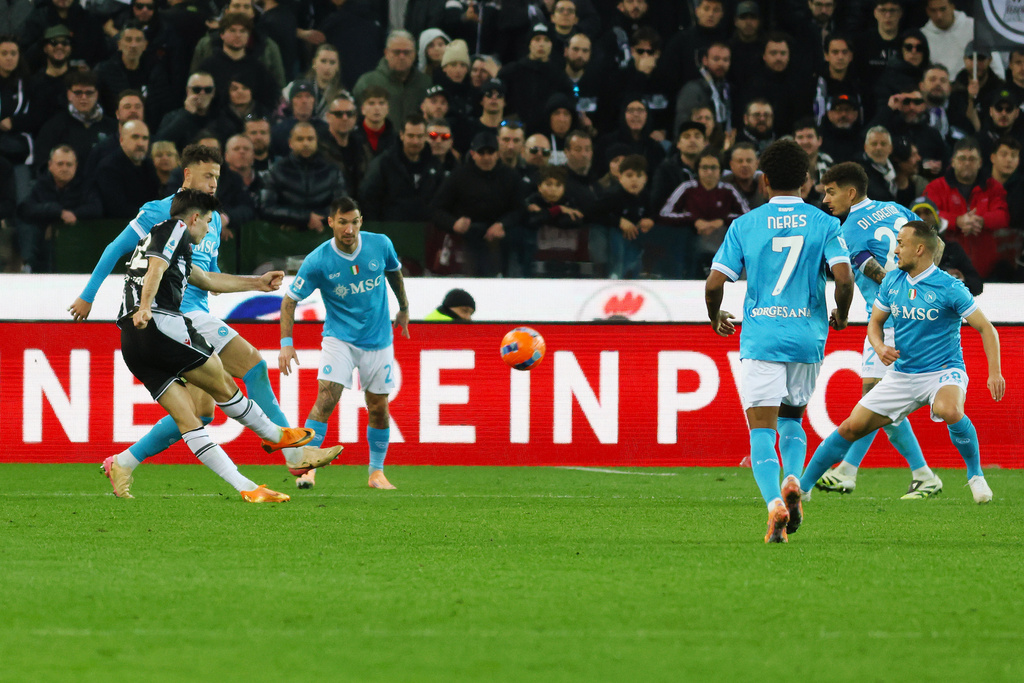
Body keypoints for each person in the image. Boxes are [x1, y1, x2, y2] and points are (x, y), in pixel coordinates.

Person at [68, 144, 340, 486]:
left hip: (194, 316)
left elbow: (209, 278)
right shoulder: (160, 211)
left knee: (201, 412)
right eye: (208, 175)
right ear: (187, 174)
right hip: (178, 314)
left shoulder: (209, 222)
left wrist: (255, 283)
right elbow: (115, 249)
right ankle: (294, 454)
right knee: (253, 364)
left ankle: (124, 462)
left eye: (217, 177)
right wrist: (87, 296)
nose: (213, 183)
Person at [108, 188, 310, 502]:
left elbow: (207, 280)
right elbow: (156, 269)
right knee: (222, 382)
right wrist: (146, 306)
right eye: (207, 222)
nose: (209, 229)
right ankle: (274, 435)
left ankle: (246, 488)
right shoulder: (174, 230)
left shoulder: (162, 240)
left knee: (189, 417)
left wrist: (257, 283)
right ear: (194, 218)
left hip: (132, 341)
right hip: (158, 324)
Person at [704, 138, 854, 543]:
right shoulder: (826, 223)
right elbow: (844, 279)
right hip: (807, 337)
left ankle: (774, 502)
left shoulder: (744, 225)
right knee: (792, 420)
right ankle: (793, 479)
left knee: (761, 429)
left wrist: (715, 315)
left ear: (764, 180)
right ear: (806, 180)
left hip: (762, 337)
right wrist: (841, 314)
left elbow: (715, 283)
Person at [798, 220, 1004, 505]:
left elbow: (986, 329)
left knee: (948, 409)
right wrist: (880, 346)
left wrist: (995, 373)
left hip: (943, 371)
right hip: (902, 375)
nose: (895, 250)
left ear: (919, 249)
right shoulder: (892, 281)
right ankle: (801, 489)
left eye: (901, 244)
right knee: (850, 428)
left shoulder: (950, 287)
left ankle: (976, 475)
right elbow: (875, 323)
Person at [813, 162, 943, 497]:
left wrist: (902, 294)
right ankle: (915, 473)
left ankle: (851, 470)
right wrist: (926, 287)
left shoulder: (849, 230)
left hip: (892, 322)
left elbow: (875, 274)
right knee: (877, 400)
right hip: (906, 318)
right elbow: (936, 243)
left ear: (850, 192)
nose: (826, 200)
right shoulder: (896, 208)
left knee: (876, 401)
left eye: (831, 192)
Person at [279, 195, 411, 490]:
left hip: (378, 339)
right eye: (342, 222)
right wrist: (286, 343)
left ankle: (376, 473)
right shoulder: (318, 260)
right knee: (326, 399)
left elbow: (394, 272)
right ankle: (308, 468)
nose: (349, 229)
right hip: (339, 338)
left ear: (361, 221)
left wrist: (403, 307)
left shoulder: (380, 244)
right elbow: (289, 300)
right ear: (331, 222)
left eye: (354, 222)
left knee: (378, 406)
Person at [923, 137, 1010, 280]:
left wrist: (981, 221)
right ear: (953, 162)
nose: (967, 163)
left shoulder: (994, 187)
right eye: (962, 158)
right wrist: (957, 221)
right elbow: (927, 217)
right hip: (947, 267)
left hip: (989, 268)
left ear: (980, 162)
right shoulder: (935, 187)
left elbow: (1003, 216)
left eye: (972, 159)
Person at [18, 145, 101, 272]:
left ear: (76, 166)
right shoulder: (39, 184)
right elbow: (25, 209)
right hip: (42, 245)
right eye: (60, 164)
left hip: (77, 243)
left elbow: (96, 208)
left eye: (69, 164)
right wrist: (57, 212)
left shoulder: (86, 185)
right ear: (50, 165)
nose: (65, 168)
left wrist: (74, 215)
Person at [261, 121, 345, 232]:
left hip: (324, 232)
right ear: (290, 143)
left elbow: (342, 206)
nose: (305, 143)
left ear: (316, 142)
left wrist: (316, 219)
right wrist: (305, 218)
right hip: (285, 235)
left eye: (310, 139)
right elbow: (266, 207)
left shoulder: (332, 171)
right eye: (300, 139)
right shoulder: (276, 171)